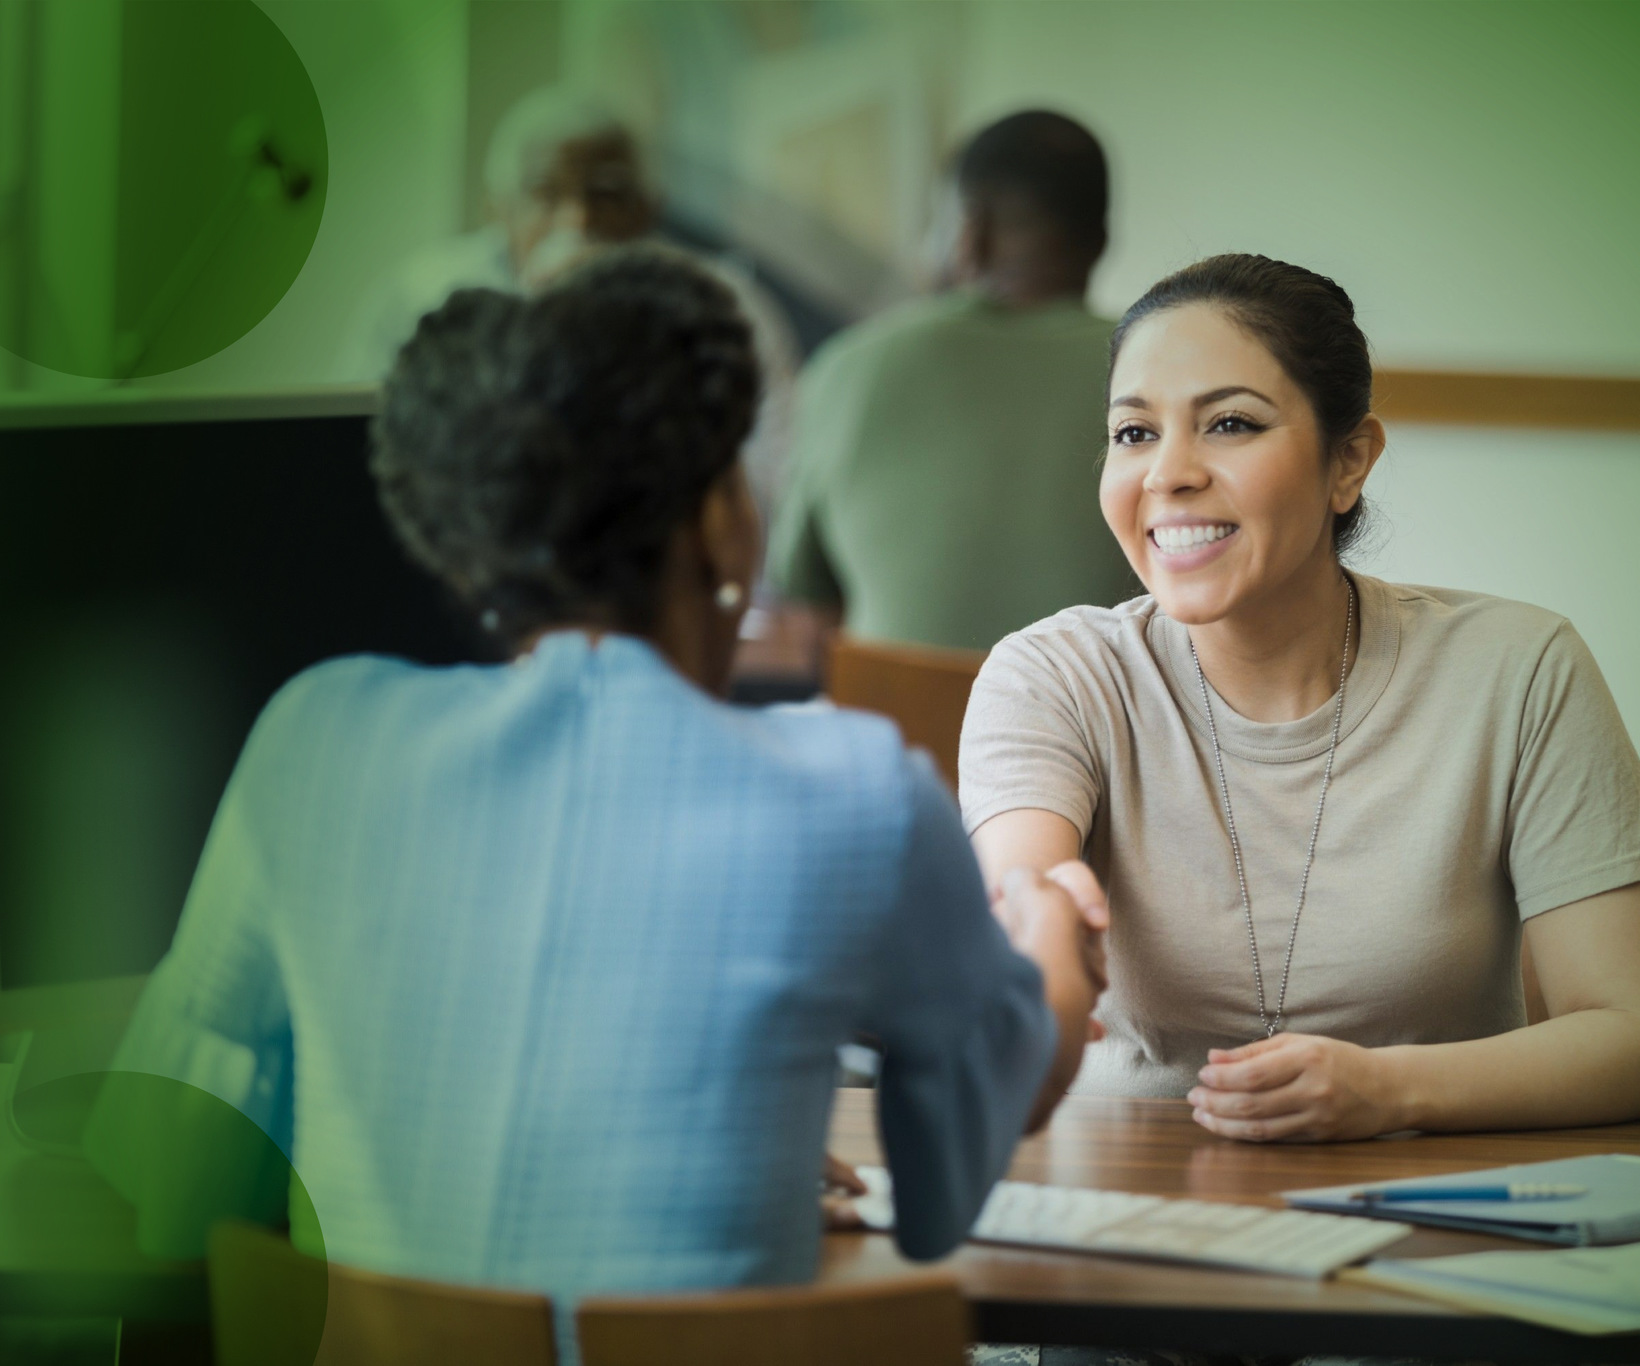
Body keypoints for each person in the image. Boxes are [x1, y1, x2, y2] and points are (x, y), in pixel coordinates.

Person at [86, 245, 1107, 1355]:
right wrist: (1052, 944)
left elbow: (171, 1169)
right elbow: (947, 1186)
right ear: (722, 522)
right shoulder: (858, 788)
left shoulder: (313, 737)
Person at [960, 254, 1640, 1141]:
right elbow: (1027, 890)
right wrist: (1042, 937)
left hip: (1421, 1215)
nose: (1167, 474)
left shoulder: (1520, 668)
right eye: (1134, 433)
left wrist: (1385, 1090)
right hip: (1115, 1195)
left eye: (1229, 423)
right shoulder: (1052, 672)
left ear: (1349, 462)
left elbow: (1634, 1038)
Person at [766, 110, 1135, 654]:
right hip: (1095, 732)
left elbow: (805, 607)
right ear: (1100, 240)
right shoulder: (1158, 369)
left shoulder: (849, 368)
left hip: (898, 727)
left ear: (968, 232)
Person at [339, 86, 800, 513]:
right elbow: (365, 458)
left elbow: (781, 465)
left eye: (607, 193)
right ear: (497, 210)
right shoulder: (420, 298)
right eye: (545, 193)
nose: (578, 219)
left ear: (649, 208)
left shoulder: (722, 302)